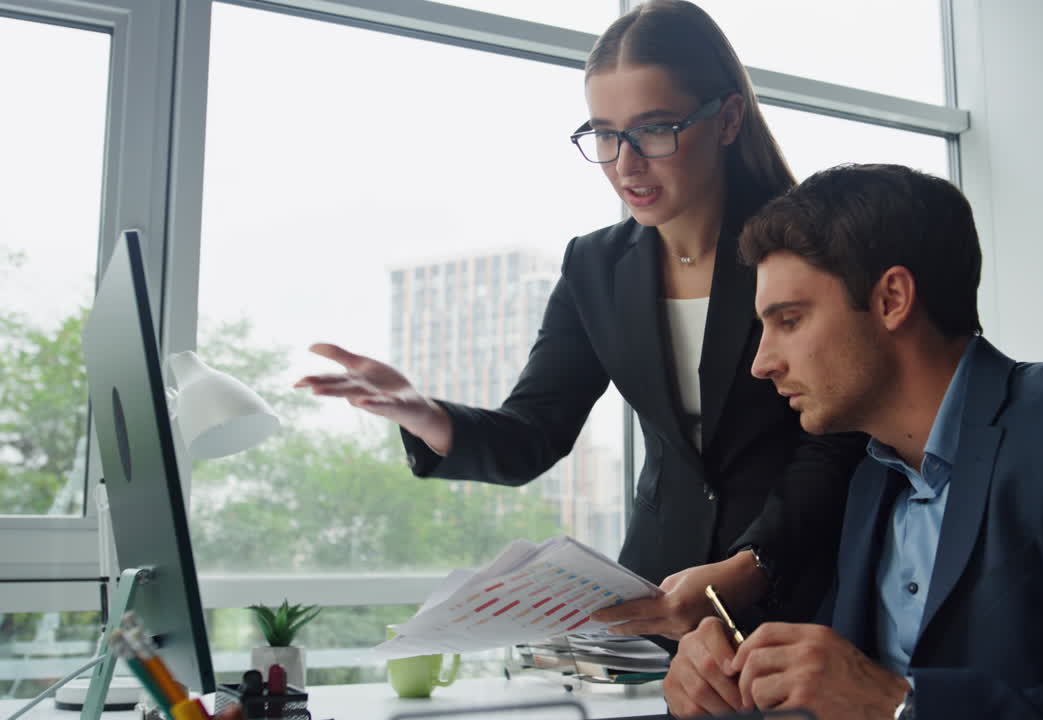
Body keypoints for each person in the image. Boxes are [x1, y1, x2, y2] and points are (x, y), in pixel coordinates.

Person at [294, 0, 862, 640]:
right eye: (604, 133)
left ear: (728, 118)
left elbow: (838, 440)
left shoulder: (807, 247)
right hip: (659, 597)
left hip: (802, 580)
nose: (625, 163)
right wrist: (427, 415)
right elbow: (534, 432)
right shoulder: (595, 266)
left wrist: (752, 565)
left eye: (653, 129)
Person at [663, 163, 1043, 719]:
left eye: (789, 322)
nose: (762, 362)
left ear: (892, 299)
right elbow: (838, 682)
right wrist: (731, 679)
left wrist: (902, 708)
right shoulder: (873, 472)